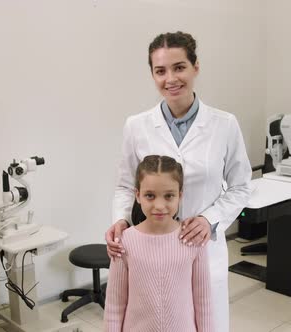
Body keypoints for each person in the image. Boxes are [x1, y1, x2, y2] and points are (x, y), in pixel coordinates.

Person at [106, 31, 252, 331]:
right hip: (152, 251)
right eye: (160, 71)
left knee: (206, 321)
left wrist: (209, 219)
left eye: (179, 67)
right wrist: (120, 220)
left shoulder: (224, 124)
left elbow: (240, 187)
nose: (170, 78)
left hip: (204, 248)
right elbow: (124, 185)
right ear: (152, 74)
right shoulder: (137, 126)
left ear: (196, 67)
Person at [104, 155, 213, 331]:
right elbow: (115, 306)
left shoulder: (192, 240)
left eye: (169, 196)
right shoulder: (125, 242)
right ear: (138, 196)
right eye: (150, 196)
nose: (159, 205)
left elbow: (204, 303)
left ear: (180, 196)